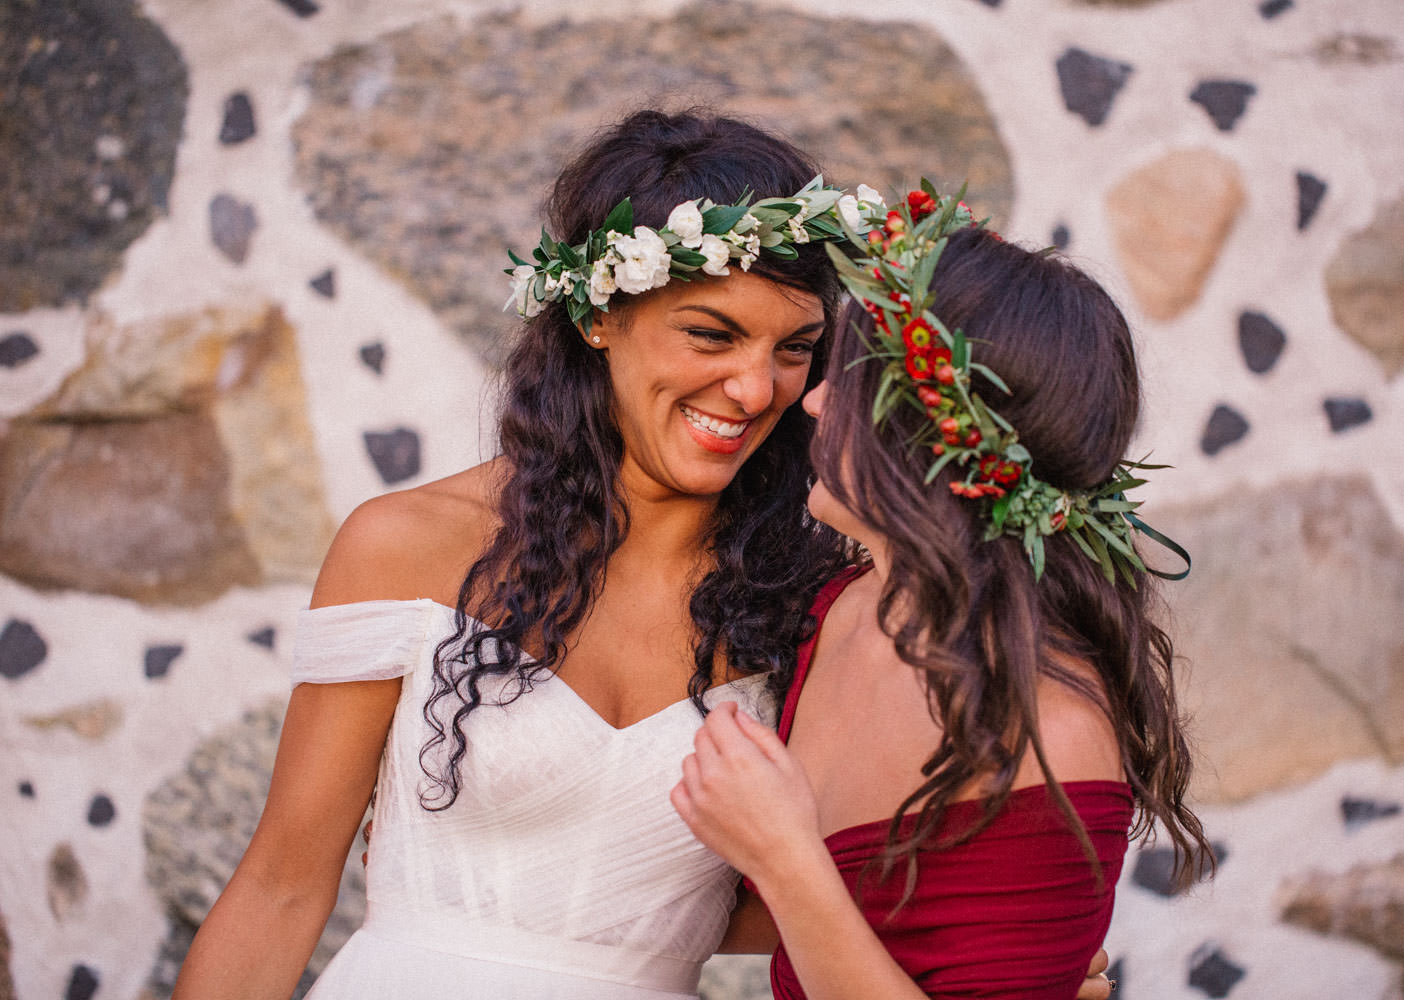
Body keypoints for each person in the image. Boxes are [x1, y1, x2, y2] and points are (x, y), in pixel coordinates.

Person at [171, 109, 854, 1000]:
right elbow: (282, 884)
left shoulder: (802, 598)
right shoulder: (408, 547)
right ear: (600, 316)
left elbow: (827, 883)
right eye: (712, 335)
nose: (756, 388)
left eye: (794, 349)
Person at [671, 188, 1214, 999]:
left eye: (845, 380)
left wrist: (786, 861)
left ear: (927, 435)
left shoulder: (1050, 740)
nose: (812, 400)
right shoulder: (839, 608)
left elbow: (809, 888)